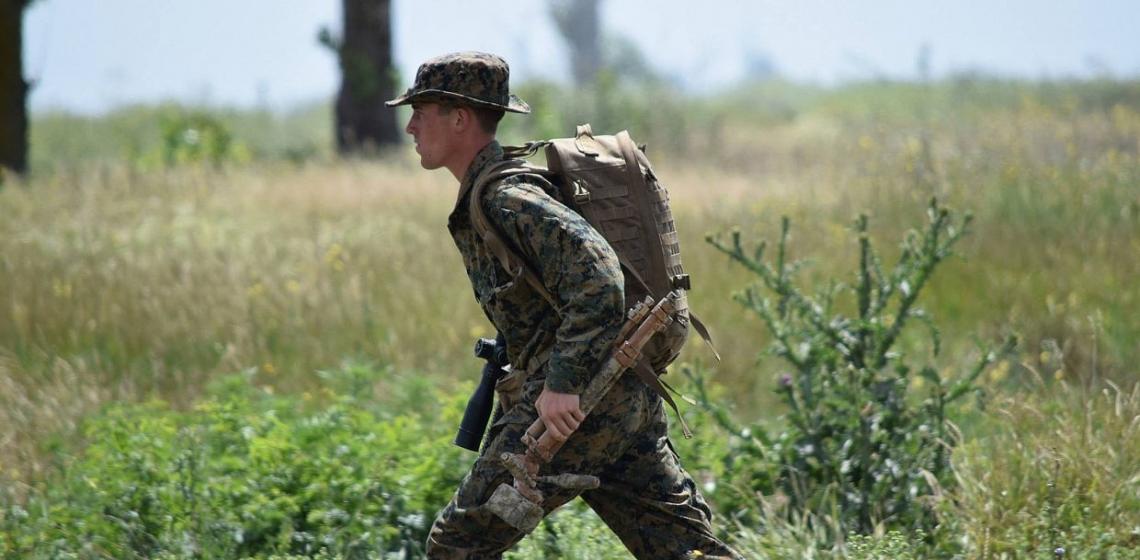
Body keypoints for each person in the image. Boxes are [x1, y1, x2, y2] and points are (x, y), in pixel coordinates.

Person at [387, 51, 741, 560]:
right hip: (617, 400)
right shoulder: (493, 194)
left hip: (579, 405)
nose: (410, 126)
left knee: (458, 546)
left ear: (460, 117)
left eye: (421, 111)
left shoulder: (507, 199)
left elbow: (600, 278)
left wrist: (561, 384)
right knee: (684, 551)